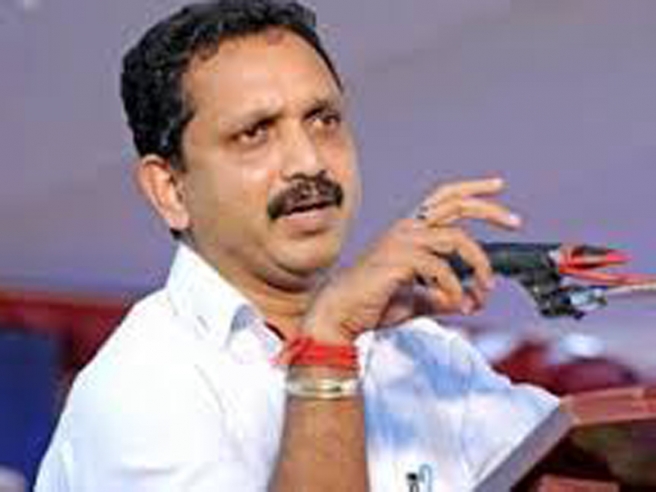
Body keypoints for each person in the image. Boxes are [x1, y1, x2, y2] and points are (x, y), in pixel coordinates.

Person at [35, 1, 558, 491]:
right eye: (255, 133)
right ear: (170, 190)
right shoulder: (140, 387)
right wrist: (326, 348)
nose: (309, 161)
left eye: (323, 120)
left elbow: (579, 457)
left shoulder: (419, 353)